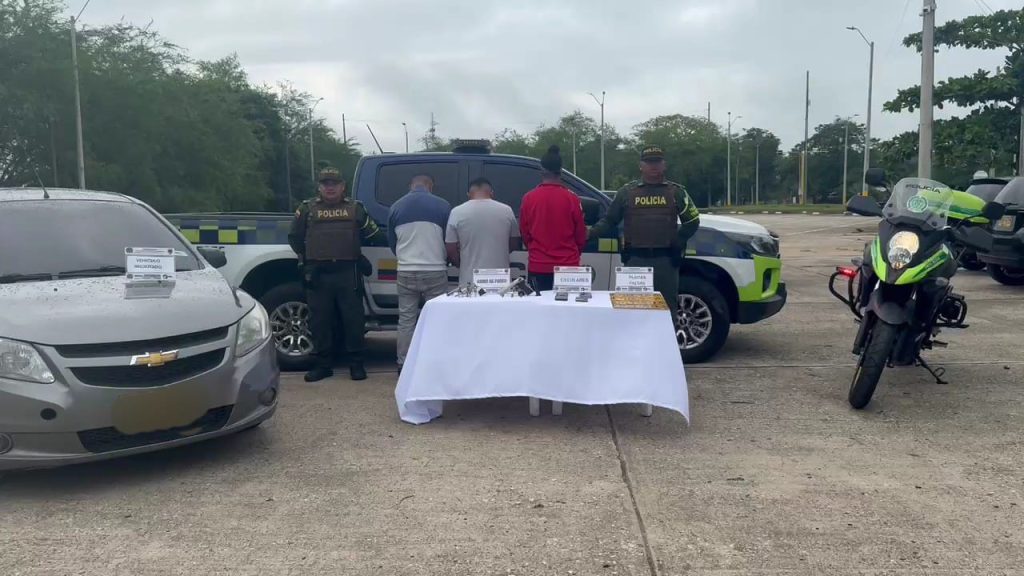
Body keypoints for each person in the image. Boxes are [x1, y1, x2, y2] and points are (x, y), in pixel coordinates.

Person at [288, 166, 381, 383]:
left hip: (348, 272)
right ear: (319, 187)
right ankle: (322, 365)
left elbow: (373, 233)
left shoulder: (356, 209)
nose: (330, 188)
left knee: (353, 321)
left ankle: (356, 364)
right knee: (320, 321)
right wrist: (308, 259)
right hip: (319, 274)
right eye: (325, 184)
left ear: (342, 187)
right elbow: (295, 237)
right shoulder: (307, 209)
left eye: (334, 184)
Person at [588, 146, 700, 319]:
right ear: (641, 166)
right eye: (649, 162)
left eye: (657, 162)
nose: (653, 166)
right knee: (633, 311)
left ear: (664, 165)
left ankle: (666, 346)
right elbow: (609, 220)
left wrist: (678, 241)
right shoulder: (626, 193)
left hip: (665, 262)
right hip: (635, 261)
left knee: (666, 313)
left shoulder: (677, 192)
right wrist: (589, 233)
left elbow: (692, 221)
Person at [387, 174, 452, 371]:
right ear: (430, 186)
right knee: (436, 317)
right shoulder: (443, 206)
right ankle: (435, 363)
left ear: (411, 186)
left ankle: (403, 363)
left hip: (406, 270)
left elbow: (392, 242)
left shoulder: (396, 207)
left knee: (406, 319)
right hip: (435, 269)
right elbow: (449, 240)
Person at [518, 145, 587, 291]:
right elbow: (580, 235)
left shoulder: (529, 198)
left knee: (540, 311)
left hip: (538, 266)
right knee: (569, 310)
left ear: (541, 171)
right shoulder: (572, 198)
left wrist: (535, 250)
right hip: (569, 266)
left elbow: (525, 233)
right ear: (561, 172)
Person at [445, 177, 520, 286]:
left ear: (468, 194)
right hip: (500, 278)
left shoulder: (456, 212)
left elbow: (450, 248)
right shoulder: (506, 210)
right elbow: (514, 243)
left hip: (469, 279)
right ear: (492, 193)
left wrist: (461, 264)